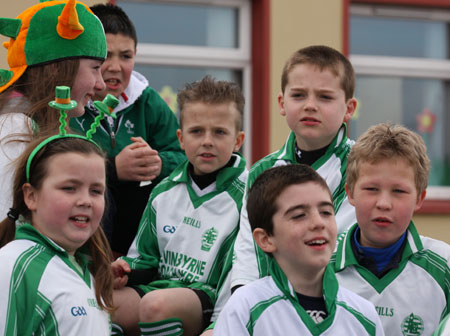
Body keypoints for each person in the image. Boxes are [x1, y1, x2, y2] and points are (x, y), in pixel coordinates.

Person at [110, 76, 247, 336]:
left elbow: (243, 271)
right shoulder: (163, 191)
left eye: (219, 132)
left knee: (155, 306)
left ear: (238, 140)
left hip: (209, 297)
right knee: (105, 303)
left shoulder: (248, 195)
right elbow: (145, 258)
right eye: (197, 131)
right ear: (181, 139)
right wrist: (126, 270)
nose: (207, 141)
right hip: (161, 287)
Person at [231, 44, 358, 292]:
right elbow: (249, 248)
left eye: (325, 97)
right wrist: (245, 300)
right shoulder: (262, 171)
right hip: (266, 299)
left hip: (335, 300)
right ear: (282, 102)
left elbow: (337, 244)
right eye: (298, 95)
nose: (310, 105)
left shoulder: (362, 166)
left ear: (349, 109)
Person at [70, 3, 185, 255]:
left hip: (136, 226)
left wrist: (157, 164)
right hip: (82, 228)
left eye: (126, 56)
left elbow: (185, 154)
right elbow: (60, 163)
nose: (115, 66)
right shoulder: (70, 101)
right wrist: (113, 169)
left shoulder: (148, 100)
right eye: (105, 56)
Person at [214, 164, 384, 335]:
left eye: (325, 212)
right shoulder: (245, 308)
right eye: (299, 215)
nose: (319, 223)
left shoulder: (364, 315)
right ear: (265, 239)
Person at [331, 123, 450, 335]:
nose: (384, 203)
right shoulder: (318, 268)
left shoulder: (444, 268)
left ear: (419, 198)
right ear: (350, 193)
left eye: (398, 191)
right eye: (371, 189)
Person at [0, 0, 107, 222]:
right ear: (56, 68)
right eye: (95, 69)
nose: (101, 85)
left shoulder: (29, 125)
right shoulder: (15, 129)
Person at [0, 132, 114, 334]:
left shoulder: (88, 270)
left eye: (96, 191)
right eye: (70, 188)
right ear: (31, 196)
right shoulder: (13, 264)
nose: (85, 201)